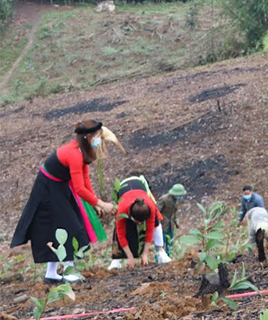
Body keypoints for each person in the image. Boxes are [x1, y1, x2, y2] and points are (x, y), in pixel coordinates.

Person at [11, 120, 115, 283]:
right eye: (97, 136)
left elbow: (85, 178)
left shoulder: (82, 151)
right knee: (69, 227)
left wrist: (96, 202)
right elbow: (80, 189)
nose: (99, 140)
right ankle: (68, 271)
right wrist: (102, 204)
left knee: (63, 226)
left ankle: (51, 274)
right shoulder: (74, 153)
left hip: (59, 185)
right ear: (88, 136)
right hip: (47, 188)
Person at [108, 175, 171, 270]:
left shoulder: (150, 206)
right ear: (130, 216)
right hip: (123, 187)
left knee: (156, 223)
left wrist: (145, 253)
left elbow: (150, 230)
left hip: (139, 185)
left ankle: (161, 252)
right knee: (118, 229)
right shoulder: (122, 209)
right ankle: (117, 260)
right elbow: (121, 235)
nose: (141, 224)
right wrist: (129, 256)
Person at [158, 184, 187, 255]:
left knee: (170, 242)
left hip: (171, 224)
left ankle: (169, 256)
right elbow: (157, 211)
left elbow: (173, 213)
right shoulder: (164, 199)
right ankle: (159, 257)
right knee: (161, 242)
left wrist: (176, 223)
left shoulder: (175, 201)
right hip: (162, 224)